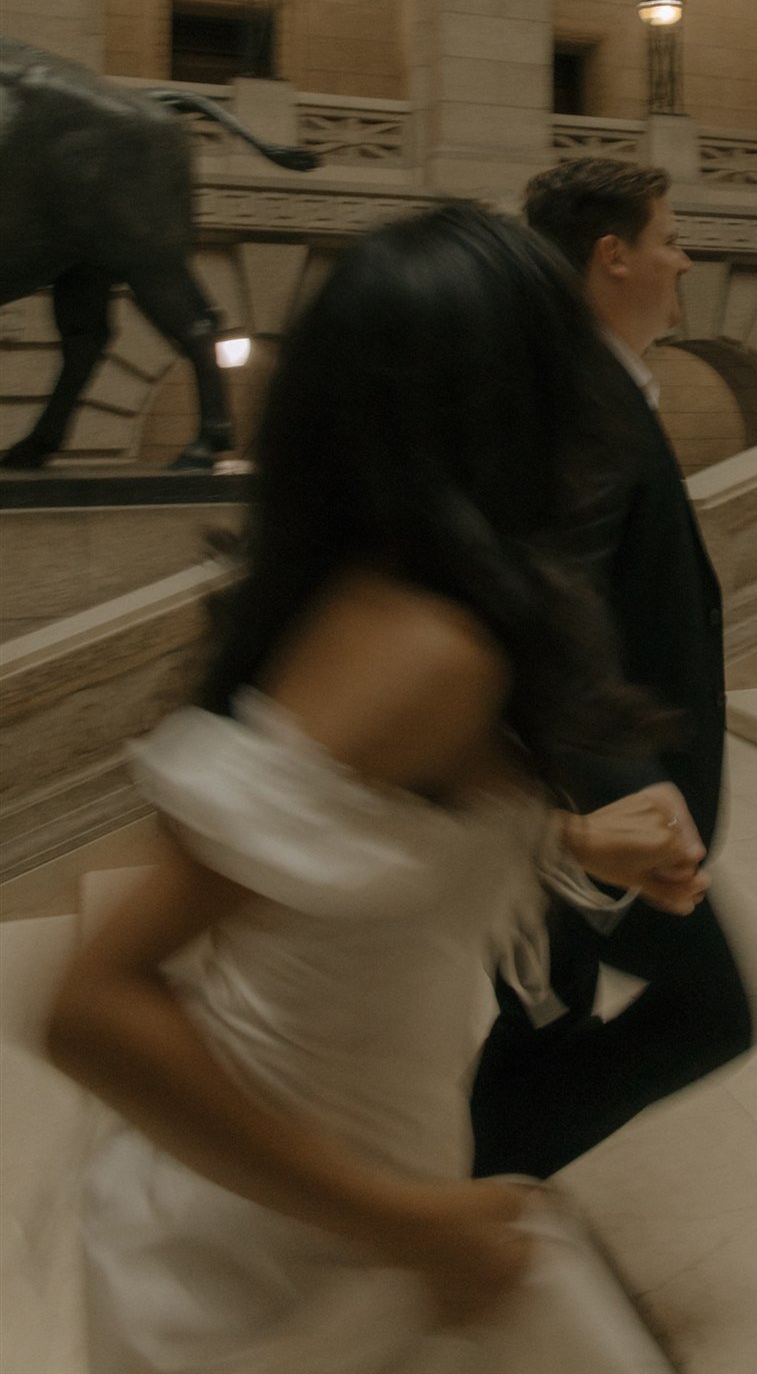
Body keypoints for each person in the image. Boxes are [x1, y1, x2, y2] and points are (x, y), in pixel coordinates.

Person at [43, 202, 707, 1374]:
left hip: (330, 1198)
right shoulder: (429, 644)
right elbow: (94, 1005)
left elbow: (373, 830)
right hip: (284, 1250)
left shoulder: (392, 592)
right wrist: (405, 1222)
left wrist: (571, 839)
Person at [469, 158, 755, 1183]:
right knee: (713, 1010)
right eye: (670, 236)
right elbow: (558, 621)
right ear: (612, 253)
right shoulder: (580, 395)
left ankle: (485, 1192)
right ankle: (465, 1194)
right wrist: (617, 808)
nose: (684, 259)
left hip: (582, 794)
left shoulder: (579, 379)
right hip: (600, 795)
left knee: (544, 1010)